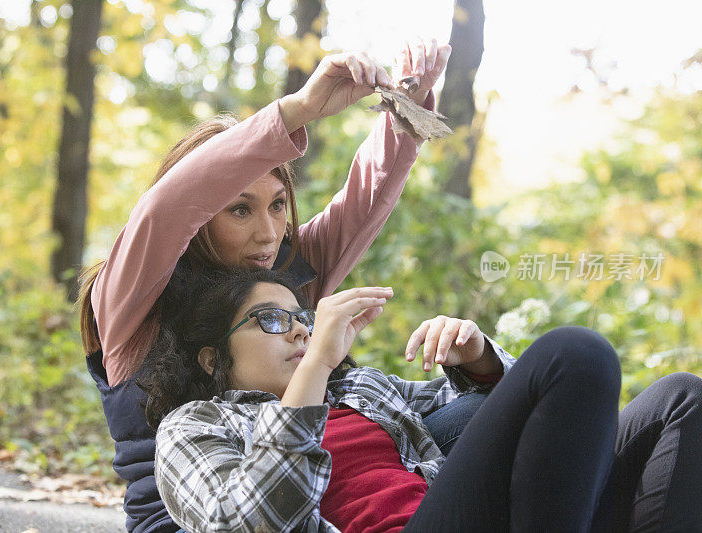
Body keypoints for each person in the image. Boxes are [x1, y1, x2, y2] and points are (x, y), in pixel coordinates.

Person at [77, 39, 453, 532]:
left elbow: (363, 200)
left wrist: (406, 104)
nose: (270, 233)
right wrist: (298, 110)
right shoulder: (133, 297)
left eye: (278, 204)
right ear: (199, 217)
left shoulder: (285, 280)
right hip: (203, 519)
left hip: (306, 502)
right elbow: (164, 210)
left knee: (481, 414)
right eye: (239, 209)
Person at [145, 268, 702, 533]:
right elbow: (253, 524)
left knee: (679, 398)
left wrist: (478, 355)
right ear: (212, 358)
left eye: (303, 320)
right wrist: (316, 365)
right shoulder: (195, 428)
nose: (297, 332)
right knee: (574, 351)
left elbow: (507, 406)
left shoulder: (361, 391)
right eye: (271, 320)